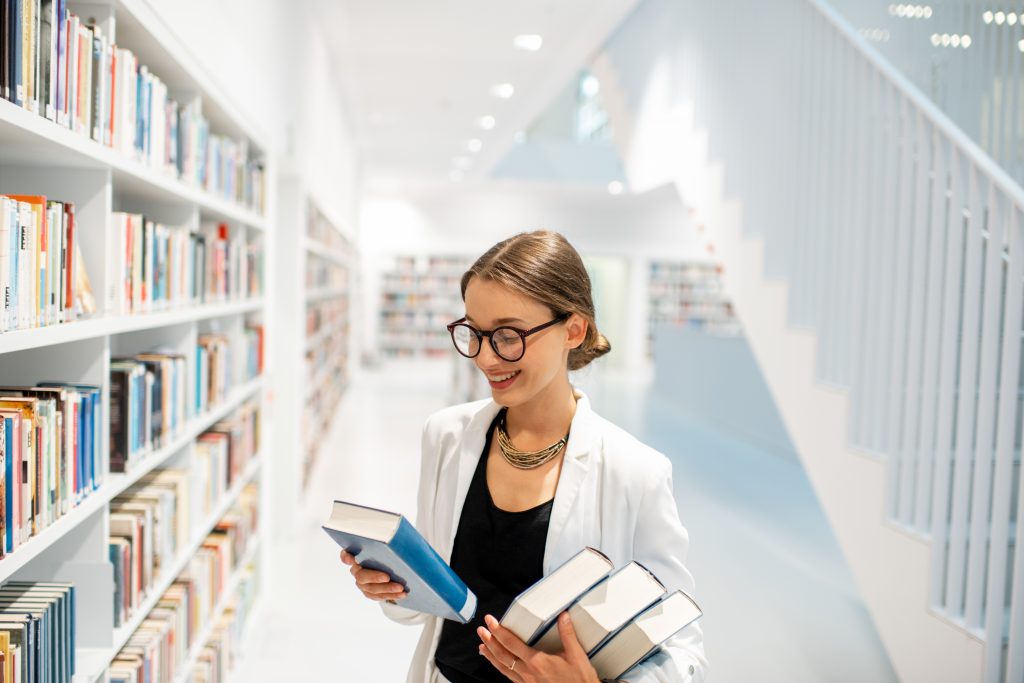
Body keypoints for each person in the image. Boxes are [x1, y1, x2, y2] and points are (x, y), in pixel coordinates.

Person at [340, 231, 708, 683]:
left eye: (508, 335)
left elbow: (680, 645)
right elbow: (428, 612)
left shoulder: (636, 472)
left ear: (574, 329)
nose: (486, 357)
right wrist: (393, 588)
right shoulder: (446, 436)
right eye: (474, 332)